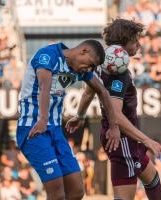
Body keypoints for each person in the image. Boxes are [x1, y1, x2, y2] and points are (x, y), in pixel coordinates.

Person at [66, 18, 161, 200]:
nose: (138, 44)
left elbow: (89, 92)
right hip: (122, 141)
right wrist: (147, 140)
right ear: (123, 43)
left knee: (153, 182)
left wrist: (80, 115)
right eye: (134, 40)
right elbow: (117, 115)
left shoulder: (101, 62)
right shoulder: (118, 71)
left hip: (126, 140)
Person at [16, 40, 120, 200]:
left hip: (55, 131)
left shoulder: (78, 69)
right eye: (91, 65)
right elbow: (45, 86)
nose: (90, 70)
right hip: (33, 129)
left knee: (77, 191)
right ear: (83, 51)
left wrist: (86, 117)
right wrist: (43, 118)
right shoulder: (48, 55)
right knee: (57, 194)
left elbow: (102, 91)